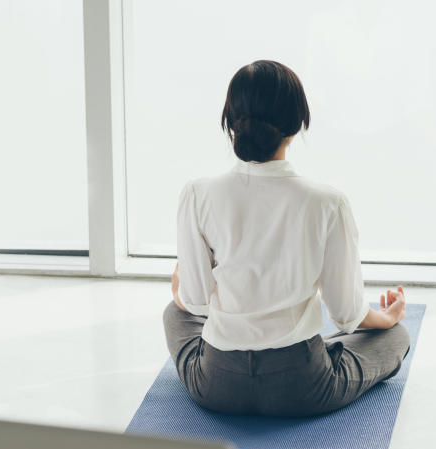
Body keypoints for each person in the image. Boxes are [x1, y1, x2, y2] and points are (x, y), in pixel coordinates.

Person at [163, 60, 410, 417]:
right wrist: (387, 320)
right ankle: (327, 349)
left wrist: (179, 290)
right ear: (297, 125)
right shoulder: (328, 202)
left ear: (231, 123)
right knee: (396, 338)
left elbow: (195, 301)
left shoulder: (197, 194)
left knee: (174, 315)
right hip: (301, 387)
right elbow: (346, 314)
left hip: (217, 384)